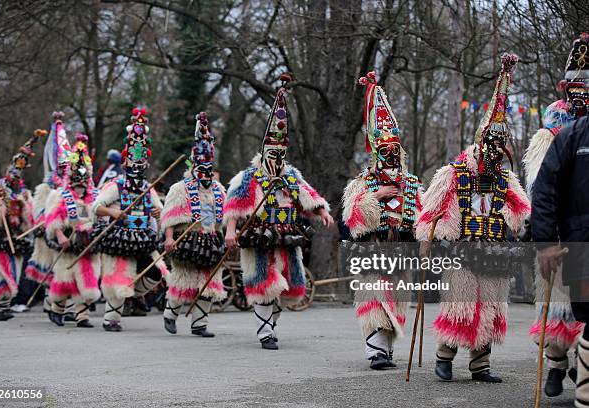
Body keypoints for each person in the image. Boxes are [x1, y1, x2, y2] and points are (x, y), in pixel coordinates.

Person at [416, 54, 530, 382]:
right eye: (490, 144)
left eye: (500, 145)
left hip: (493, 249)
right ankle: (444, 356)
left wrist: (508, 218)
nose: (495, 150)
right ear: (480, 142)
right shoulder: (452, 174)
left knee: (492, 307)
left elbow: (522, 209)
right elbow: (430, 209)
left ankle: (481, 365)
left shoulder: (505, 179)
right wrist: (429, 238)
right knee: (459, 305)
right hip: (462, 250)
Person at [224, 74, 334, 350]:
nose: (276, 157)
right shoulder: (248, 177)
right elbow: (234, 207)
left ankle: (270, 326)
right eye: (272, 152)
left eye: (280, 152)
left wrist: (321, 211)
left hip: (287, 235)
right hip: (259, 235)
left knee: (286, 286)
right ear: (264, 150)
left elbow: (307, 194)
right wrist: (230, 231)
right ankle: (265, 333)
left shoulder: (291, 175)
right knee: (264, 282)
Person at [342, 71, 423, 369]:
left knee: (397, 298)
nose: (390, 154)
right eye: (384, 149)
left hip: (400, 251)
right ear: (377, 150)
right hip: (372, 249)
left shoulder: (412, 183)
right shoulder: (363, 182)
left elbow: (422, 216)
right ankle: (375, 352)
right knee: (374, 298)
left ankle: (386, 350)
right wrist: (376, 197)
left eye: (394, 149)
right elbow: (351, 218)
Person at [523, 34, 588, 397]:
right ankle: (556, 363)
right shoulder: (550, 135)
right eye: (576, 88)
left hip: (584, 233)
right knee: (555, 303)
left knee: (584, 312)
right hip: (558, 235)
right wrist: (548, 235)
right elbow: (540, 188)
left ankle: (581, 369)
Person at [91, 107, 168, 332]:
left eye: (141, 162)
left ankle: (134, 295)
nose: (137, 166)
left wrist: (156, 213)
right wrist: (113, 213)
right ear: (125, 164)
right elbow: (97, 207)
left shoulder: (147, 187)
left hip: (144, 237)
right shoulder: (117, 185)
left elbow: (159, 209)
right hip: (120, 237)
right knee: (119, 276)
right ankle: (111, 319)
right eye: (133, 162)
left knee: (155, 272)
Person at [161, 112, 226, 337]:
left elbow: (226, 217)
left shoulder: (219, 190)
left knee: (211, 281)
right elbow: (169, 216)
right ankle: (170, 313)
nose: (206, 175)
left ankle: (200, 324)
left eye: (209, 171)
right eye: (202, 170)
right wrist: (169, 238)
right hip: (187, 240)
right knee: (184, 279)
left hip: (212, 240)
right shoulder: (180, 189)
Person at [0, 130, 45, 320]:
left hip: (15, 239)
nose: (14, 178)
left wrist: (24, 209)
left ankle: (5, 304)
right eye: (12, 174)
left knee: (14, 272)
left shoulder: (23, 195)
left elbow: (28, 219)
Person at [44, 134, 101, 328]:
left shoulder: (95, 197)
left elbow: (101, 218)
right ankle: (56, 310)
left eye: (83, 183)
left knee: (86, 281)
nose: (80, 187)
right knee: (64, 280)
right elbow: (52, 220)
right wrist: (60, 236)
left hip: (87, 246)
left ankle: (82, 317)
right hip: (67, 246)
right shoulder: (62, 196)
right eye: (77, 183)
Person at [25, 111, 75, 318]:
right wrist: (47, 222)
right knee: (53, 272)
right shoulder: (45, 188)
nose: (64, 170)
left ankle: (70, 309)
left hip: (68, 232)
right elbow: (38, 211)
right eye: (61, 167)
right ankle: (51, 303)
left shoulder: (73, 187)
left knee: (69, 270)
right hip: (50, 234)